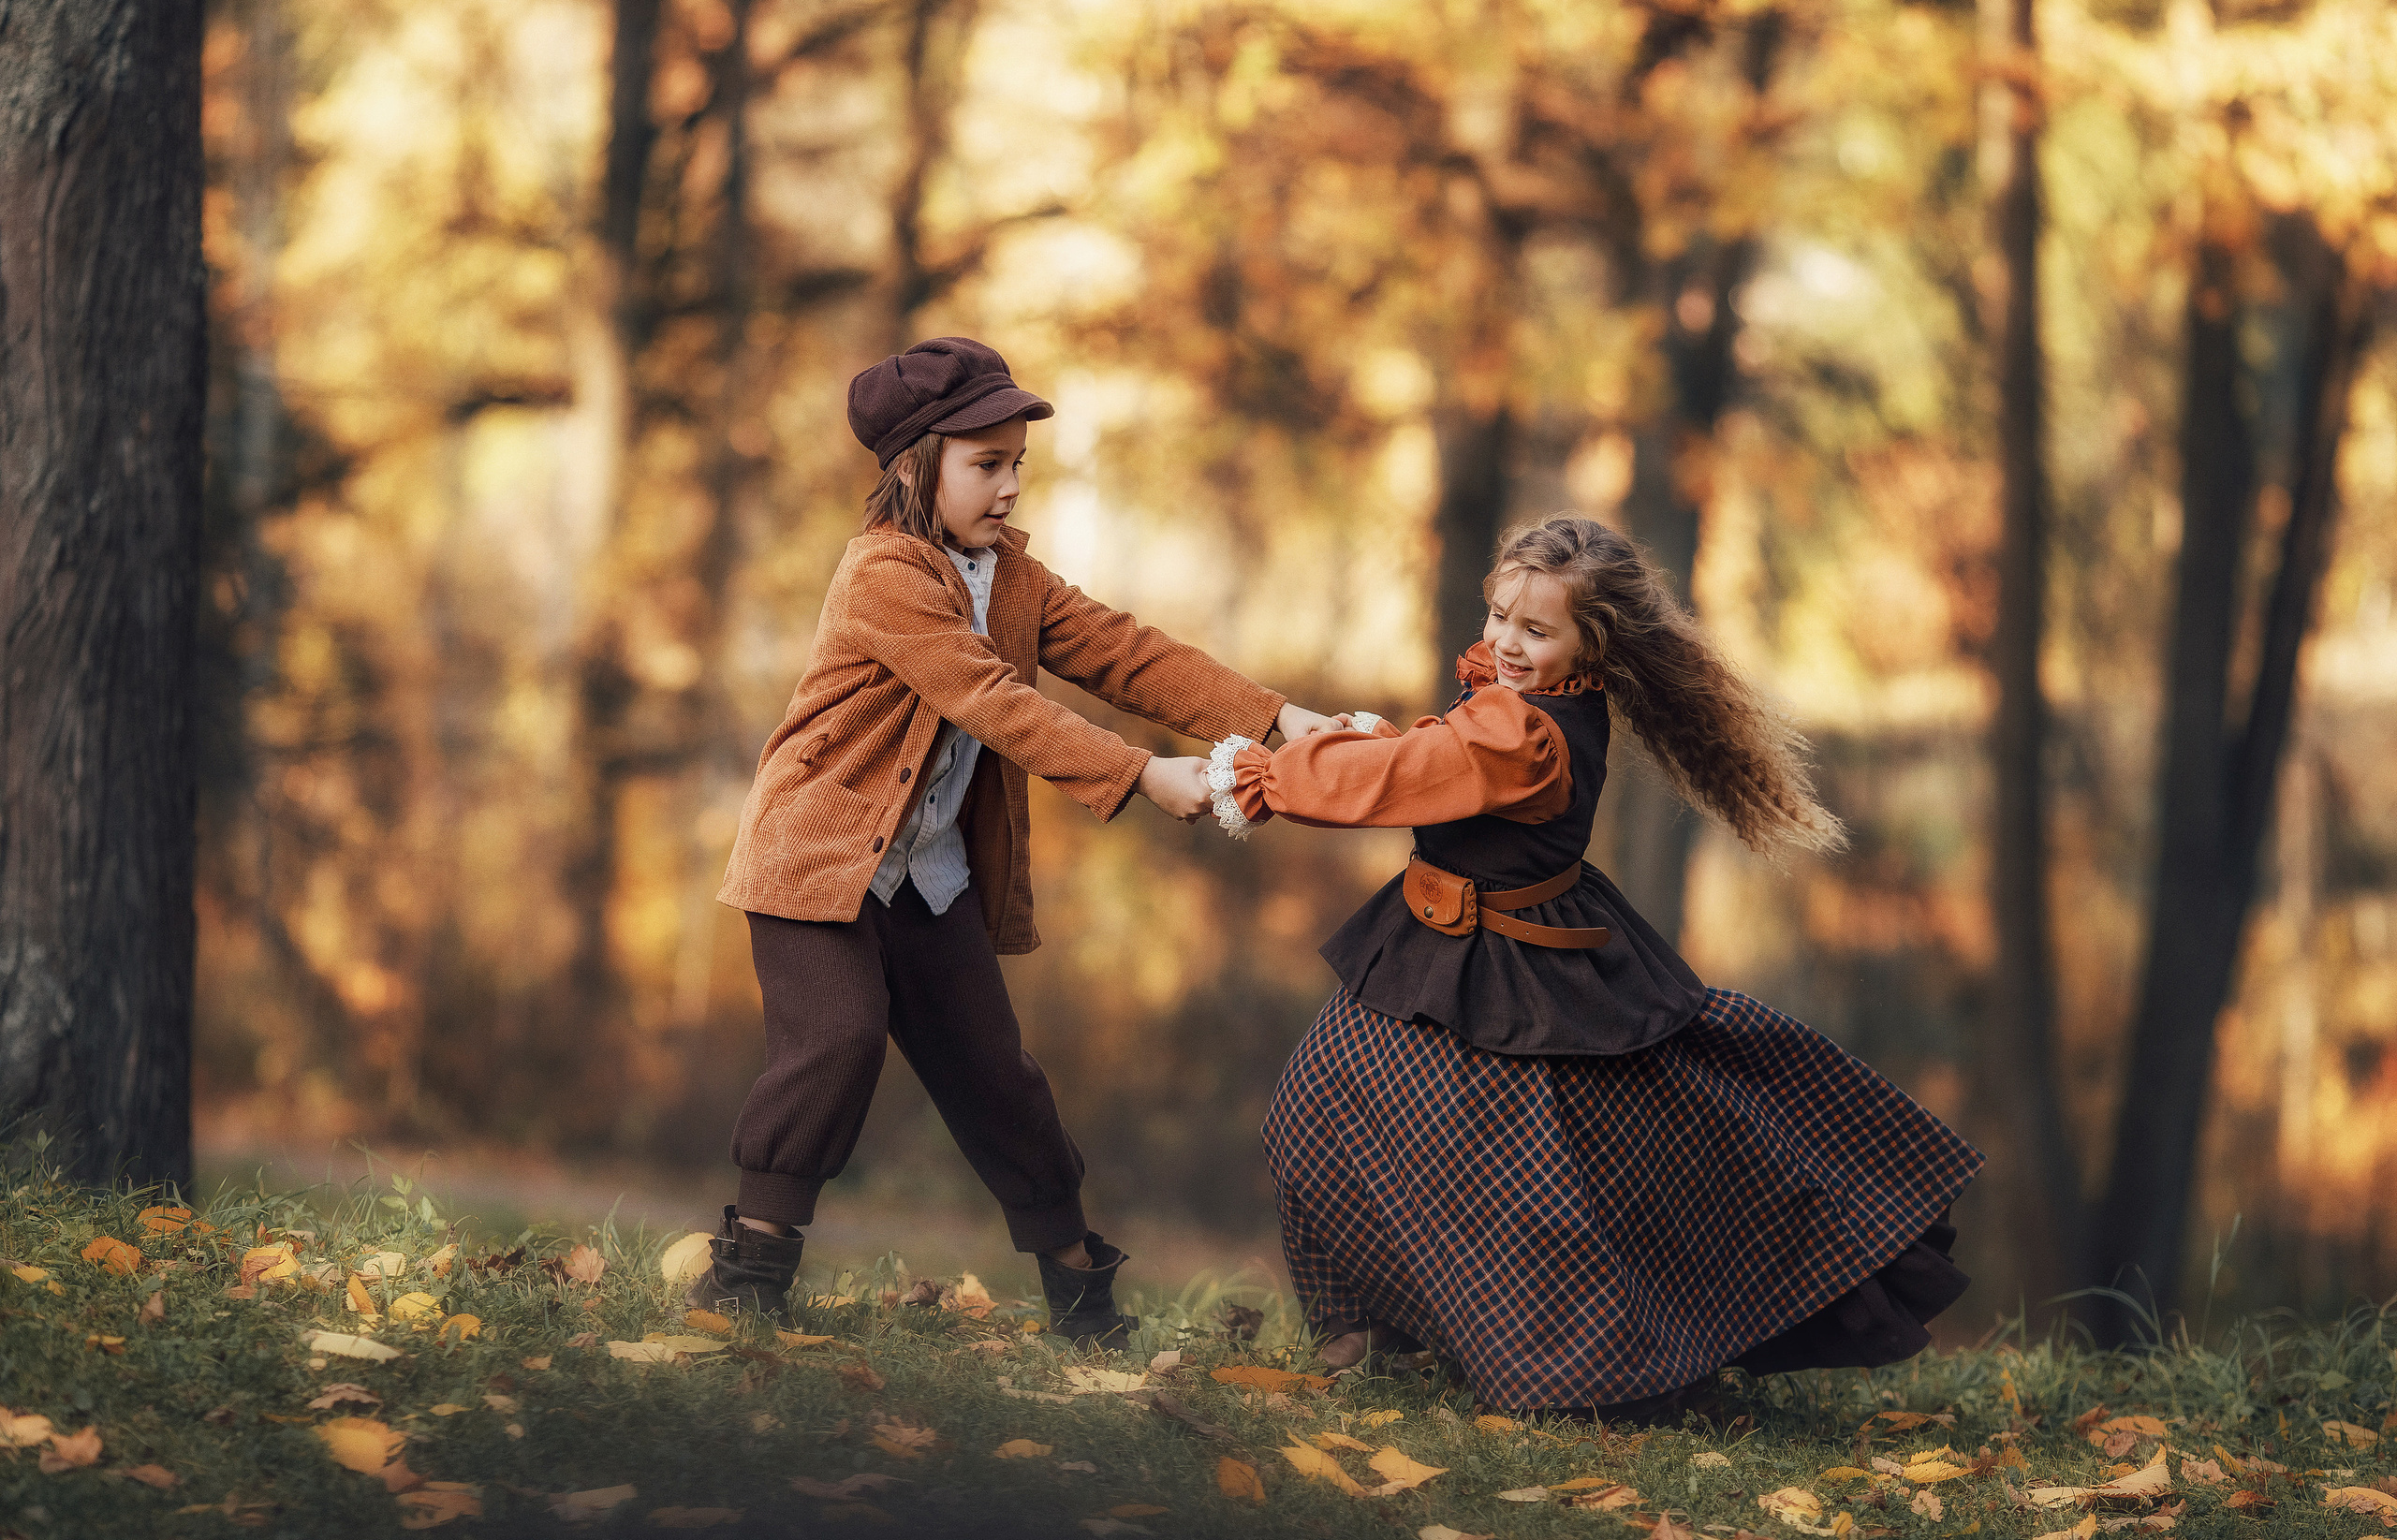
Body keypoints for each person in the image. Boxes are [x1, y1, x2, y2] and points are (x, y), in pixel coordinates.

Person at [1206, 514, 1982, 1416]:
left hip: (1509, 964)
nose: (1504, 641)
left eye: (1535, 630)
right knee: (1322, 1107)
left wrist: (1268, 772)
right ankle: (1370, 1324)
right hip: (1443, 948)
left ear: (1590, 643)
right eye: (1499, 615)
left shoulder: (1526, 734)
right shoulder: (1519, 705)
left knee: (1516, 1178)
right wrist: (1382, 738)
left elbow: (1401, 778)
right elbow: (1433, 762)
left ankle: (1583, 1366)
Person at [690, 337, 1342, 1346]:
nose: (1006, 487)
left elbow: (1128, 657)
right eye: (983, 464)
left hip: (928, 881)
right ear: (919, 467)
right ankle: (747, 1277)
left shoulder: (1014, 579)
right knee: (840, 1037)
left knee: (997, 1074)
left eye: (1015, 464)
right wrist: (1139, 776)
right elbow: (990, 701)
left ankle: (1083, 1297)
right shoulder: (883, 574)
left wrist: (1277, 721)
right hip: (817, 867)